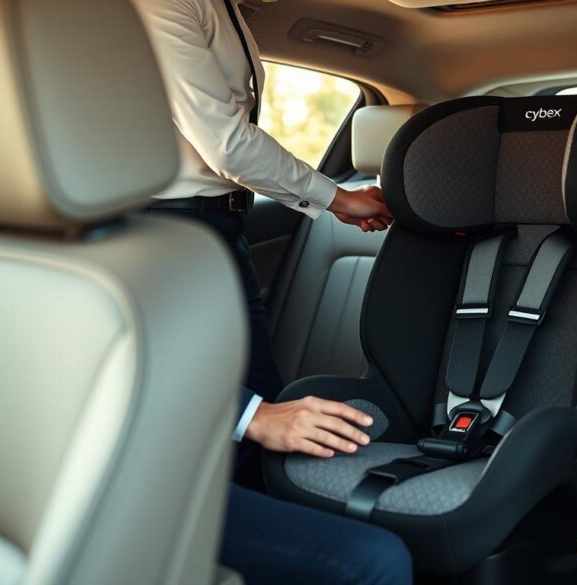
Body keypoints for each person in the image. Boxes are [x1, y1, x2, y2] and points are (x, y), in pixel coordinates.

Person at [134, 1, 410, 583]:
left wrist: (256, 414)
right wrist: (336, 197)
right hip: (180, 226)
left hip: (219, 225)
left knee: (263, 422)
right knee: (258, 426)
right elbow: (227, 145)